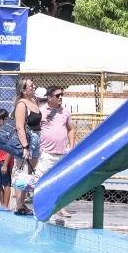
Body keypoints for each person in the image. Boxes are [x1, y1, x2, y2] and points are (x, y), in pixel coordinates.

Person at [36, 87, 76, 222]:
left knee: (61, 182)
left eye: (61, 95)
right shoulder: (40, 111)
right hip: (46, 153)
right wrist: (38, 148)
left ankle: (61, 207)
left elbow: (71, 129)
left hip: (62, 154)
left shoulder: (65, 111)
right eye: (57, 95)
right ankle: (44, 207)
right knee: (43, 182)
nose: (60, 98)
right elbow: (34, 130)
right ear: (49, 97)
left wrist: (71, 146)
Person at [13, 79, 42, 178]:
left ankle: (27, 194)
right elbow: (19, 127)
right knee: (23, 174)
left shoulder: (33, 101)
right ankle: (20, 194)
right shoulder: (22, 104)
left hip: (36, 139)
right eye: (31, 86)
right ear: (24, 90)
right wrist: (25, 147)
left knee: (30, 173)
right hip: (27, 140)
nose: (34, 87)